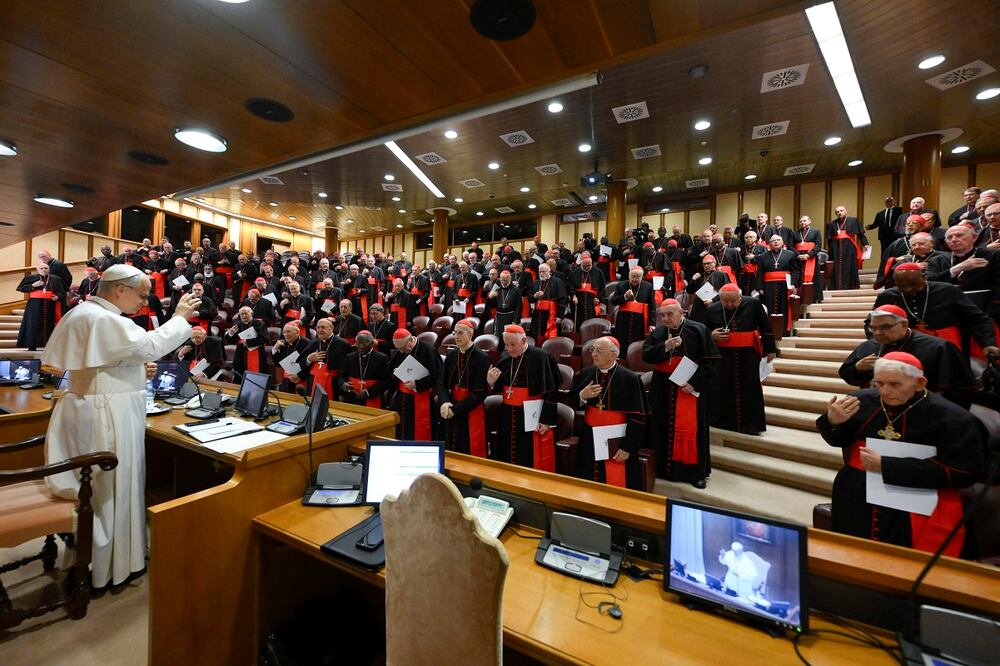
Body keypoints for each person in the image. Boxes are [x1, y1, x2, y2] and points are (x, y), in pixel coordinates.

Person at [42, 264, 201, 589]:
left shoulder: (83, 312)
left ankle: (107, 560)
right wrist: (180, 317)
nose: (144, 302)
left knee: (107, 489)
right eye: (142, 295)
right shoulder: (103, 318)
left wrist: (138, 370)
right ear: (120, 290)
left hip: (92, 407)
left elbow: (105, 364)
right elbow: (149, 346)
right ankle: (108, 568)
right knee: (110, 489)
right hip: (108, 414)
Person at [816, 352, 984, 557]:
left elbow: (964, 472)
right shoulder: (861, 401)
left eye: (894, 384)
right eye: (879, 383)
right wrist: (832, 421)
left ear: (920, 383)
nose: (885, 391)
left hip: (916, 504)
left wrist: (887, 466)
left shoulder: (953, 418)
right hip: (858, 497)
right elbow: (838, 440)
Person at [643, 300, 719, 488]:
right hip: (662, 387)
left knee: (693, 431)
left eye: (669, 314)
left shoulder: (698, 329)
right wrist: (665, 346)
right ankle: (662, 469)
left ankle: (695, 473)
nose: (665, 319)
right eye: (662, 315)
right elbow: (647, 355)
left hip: (689, 387)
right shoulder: (659, 333)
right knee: (661, 427)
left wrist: (694, 384)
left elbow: (711, 361)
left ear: (681, 312)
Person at [839, 305, 977, 402]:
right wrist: (857, 367)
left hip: (922, 408)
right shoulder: (868, 346)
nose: (878, 333)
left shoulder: (938, 347)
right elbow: (847, 375)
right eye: (873, 328)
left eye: (885, 327)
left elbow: (960, 390)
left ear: (904, 324)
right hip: (879, 406)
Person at [874, 263, 998, 357]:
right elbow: (873, 322)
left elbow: (977, 318)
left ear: (924, 278)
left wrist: (988, 343)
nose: (908, 290)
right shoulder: (887, 296)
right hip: (905, 342)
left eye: (913, 285)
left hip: (947, 341)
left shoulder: (947, 290)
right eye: (902, 286)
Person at [572, 336, 647, 488]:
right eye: (593, 349)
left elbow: (638, 418)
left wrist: (627, 447)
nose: (593, 354)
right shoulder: (586, 373)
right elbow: (572, 400)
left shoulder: (630, 379)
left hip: (617, 439)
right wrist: (582, 396)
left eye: (599, 351)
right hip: (589, 437)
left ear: (613, 355)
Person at [705, 284, 776, 435]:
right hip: (722, 357)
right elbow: (704, 329)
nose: (729, 305)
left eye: (733, 301)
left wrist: (770, 349)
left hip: (748, 356)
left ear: (740, 297)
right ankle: (722, 422)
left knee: (749, 388)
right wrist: (712, 335)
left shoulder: (753, 304)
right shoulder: (712, 309)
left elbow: (766, 327)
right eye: (726, 302)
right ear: (720, 299)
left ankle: (750, 425)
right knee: (723, 387)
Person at [487, 325, 561, 471]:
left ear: (524, 341)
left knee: (528, 455)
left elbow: (551, 392)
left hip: (531, 415)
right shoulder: (505, 356)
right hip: (507, 415)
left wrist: (546, 420)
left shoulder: (541, 357)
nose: (509, 349)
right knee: (506, 453)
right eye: (506, 345)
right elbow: (498, 386)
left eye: (513, 345)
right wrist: (491, 382)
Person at [437, 319, 490, 457]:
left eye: (460, 333)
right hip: (451, 406)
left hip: (471, 408)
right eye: (455, 332)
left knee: (469, 449)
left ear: (470, 334)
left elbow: (480, 393)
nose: (456, 336)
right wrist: (444, 402)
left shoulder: (482, 358)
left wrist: (455, 410)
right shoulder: (452, 355)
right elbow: (442, 383)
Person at [387, 328, 442, 440]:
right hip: (402, 398)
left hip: (421, 397)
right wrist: (395, 371)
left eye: (402, 348)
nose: (401, 352)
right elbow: (391, 367)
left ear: (411, 340)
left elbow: (438, 376)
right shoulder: (402, 350)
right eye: (398, 349)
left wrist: (418, 384)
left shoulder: (428, 350)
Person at [16, 263, 67, 350]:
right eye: (41, 268)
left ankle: (48, 345)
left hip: (50, 305)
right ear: (37, 270)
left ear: (49, 269)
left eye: (46, 268)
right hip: (34, 306)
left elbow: (62, 292)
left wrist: (58, 296)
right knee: (33, 324)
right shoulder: (31, 278)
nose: (44, 270)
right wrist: (33, 285)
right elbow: (20, 288)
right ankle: (32, 345)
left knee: (50, 324)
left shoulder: (56, 279)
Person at [756, 234, 800, 333]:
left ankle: (784, 330)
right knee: (769, 307)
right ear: (769, 244)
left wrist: (793, 284)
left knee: (784, 306)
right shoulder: (763, 257)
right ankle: (769, 330)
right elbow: (759, 273)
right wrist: (760, 287)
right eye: (773, 241)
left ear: (782, 242)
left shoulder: (790, 254)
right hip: (768, 286)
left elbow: (795, 271)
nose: (776, 242)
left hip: (785, 285)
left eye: (778, 240)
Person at [337, 331, 391, 408]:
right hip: (351, 397)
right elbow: (341, 376)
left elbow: (386, 381)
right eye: (358, 343)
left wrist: (368, 392)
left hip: (373, 397)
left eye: (364, 343)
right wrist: (343, 384)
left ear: (372, 343)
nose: (361, 346)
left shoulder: (382, 358)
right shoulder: (350, 357)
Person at [610, 267, 656, 355]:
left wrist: (652, 323)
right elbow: (613, 301)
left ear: (642, 277)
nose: (634, 279)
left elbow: (652, 306)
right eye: (632, 276)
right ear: (629, 275)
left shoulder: (648, 286)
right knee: (622, 343)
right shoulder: (621, 285)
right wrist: (624, 297)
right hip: (623, 321)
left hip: (639, 322)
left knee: (637, 345)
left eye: (637, 277)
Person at [306, 317, 351, 400]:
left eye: (323, 327)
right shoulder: (313, 343)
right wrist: (309, 359)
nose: (320, 330)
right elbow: (302, 363)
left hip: (333, 383)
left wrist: (342, 392)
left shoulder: (343, 344)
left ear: (331, 328)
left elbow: (346, 369)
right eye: (318, 327)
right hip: (313, 382)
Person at [826, 205, 869, 290]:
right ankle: (837, 286)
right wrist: (831, 250)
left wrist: (865, 244)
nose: (839, 213)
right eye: (837, 212)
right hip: (836, 248)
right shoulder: (831, 224)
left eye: (841, 211)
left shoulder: (853, 220)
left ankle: (851, 285)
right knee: (836, 268)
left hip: (849, 248)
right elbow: (829, 239)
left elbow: (861, 234)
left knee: (850, 265)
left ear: (846, 211)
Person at [528, 262, 566, 344]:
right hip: (537, 314)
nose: (541, 273)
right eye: (540, 272)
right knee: (536, 334)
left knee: (551, 335)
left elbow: (562, 299)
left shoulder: (557, 281)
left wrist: (560, 315)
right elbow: (530, 299)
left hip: (552, 313)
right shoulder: (536, 283)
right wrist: (535, 296)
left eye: (544, 271)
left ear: (549, 271)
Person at [567, 253, 606, 330]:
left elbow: (602, 287)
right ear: (581, 263)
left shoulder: (598, 271)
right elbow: (570, 286)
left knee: (591, 322)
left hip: (592, 302)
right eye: (584, 266)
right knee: (578, 321)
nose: (587, 267)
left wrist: (598, 298)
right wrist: (573, 295)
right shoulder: (574, 272)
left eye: (588, 265)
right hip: (578, 302)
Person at [224, 306, 268, 376]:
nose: (244, 316)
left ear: (251, 313)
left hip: (256, 351)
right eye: (242, 314)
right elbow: (232, 341)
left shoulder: (259, 323)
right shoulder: (237, 324)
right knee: (240, 373)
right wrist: (231, 334)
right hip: (241, 353)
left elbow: (264, 339)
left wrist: (247, 342)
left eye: (246, 313)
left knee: (256, 374)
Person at [271, 322, 313, 393]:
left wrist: (298, 376)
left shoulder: (307, 344)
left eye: (288, 332)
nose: (286, 334)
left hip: (301, 378)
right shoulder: (283, 344)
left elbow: (309, 364)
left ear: (297, 332)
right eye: (284, 332)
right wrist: (275, 349)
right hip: (287, 379)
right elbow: (278, 364)